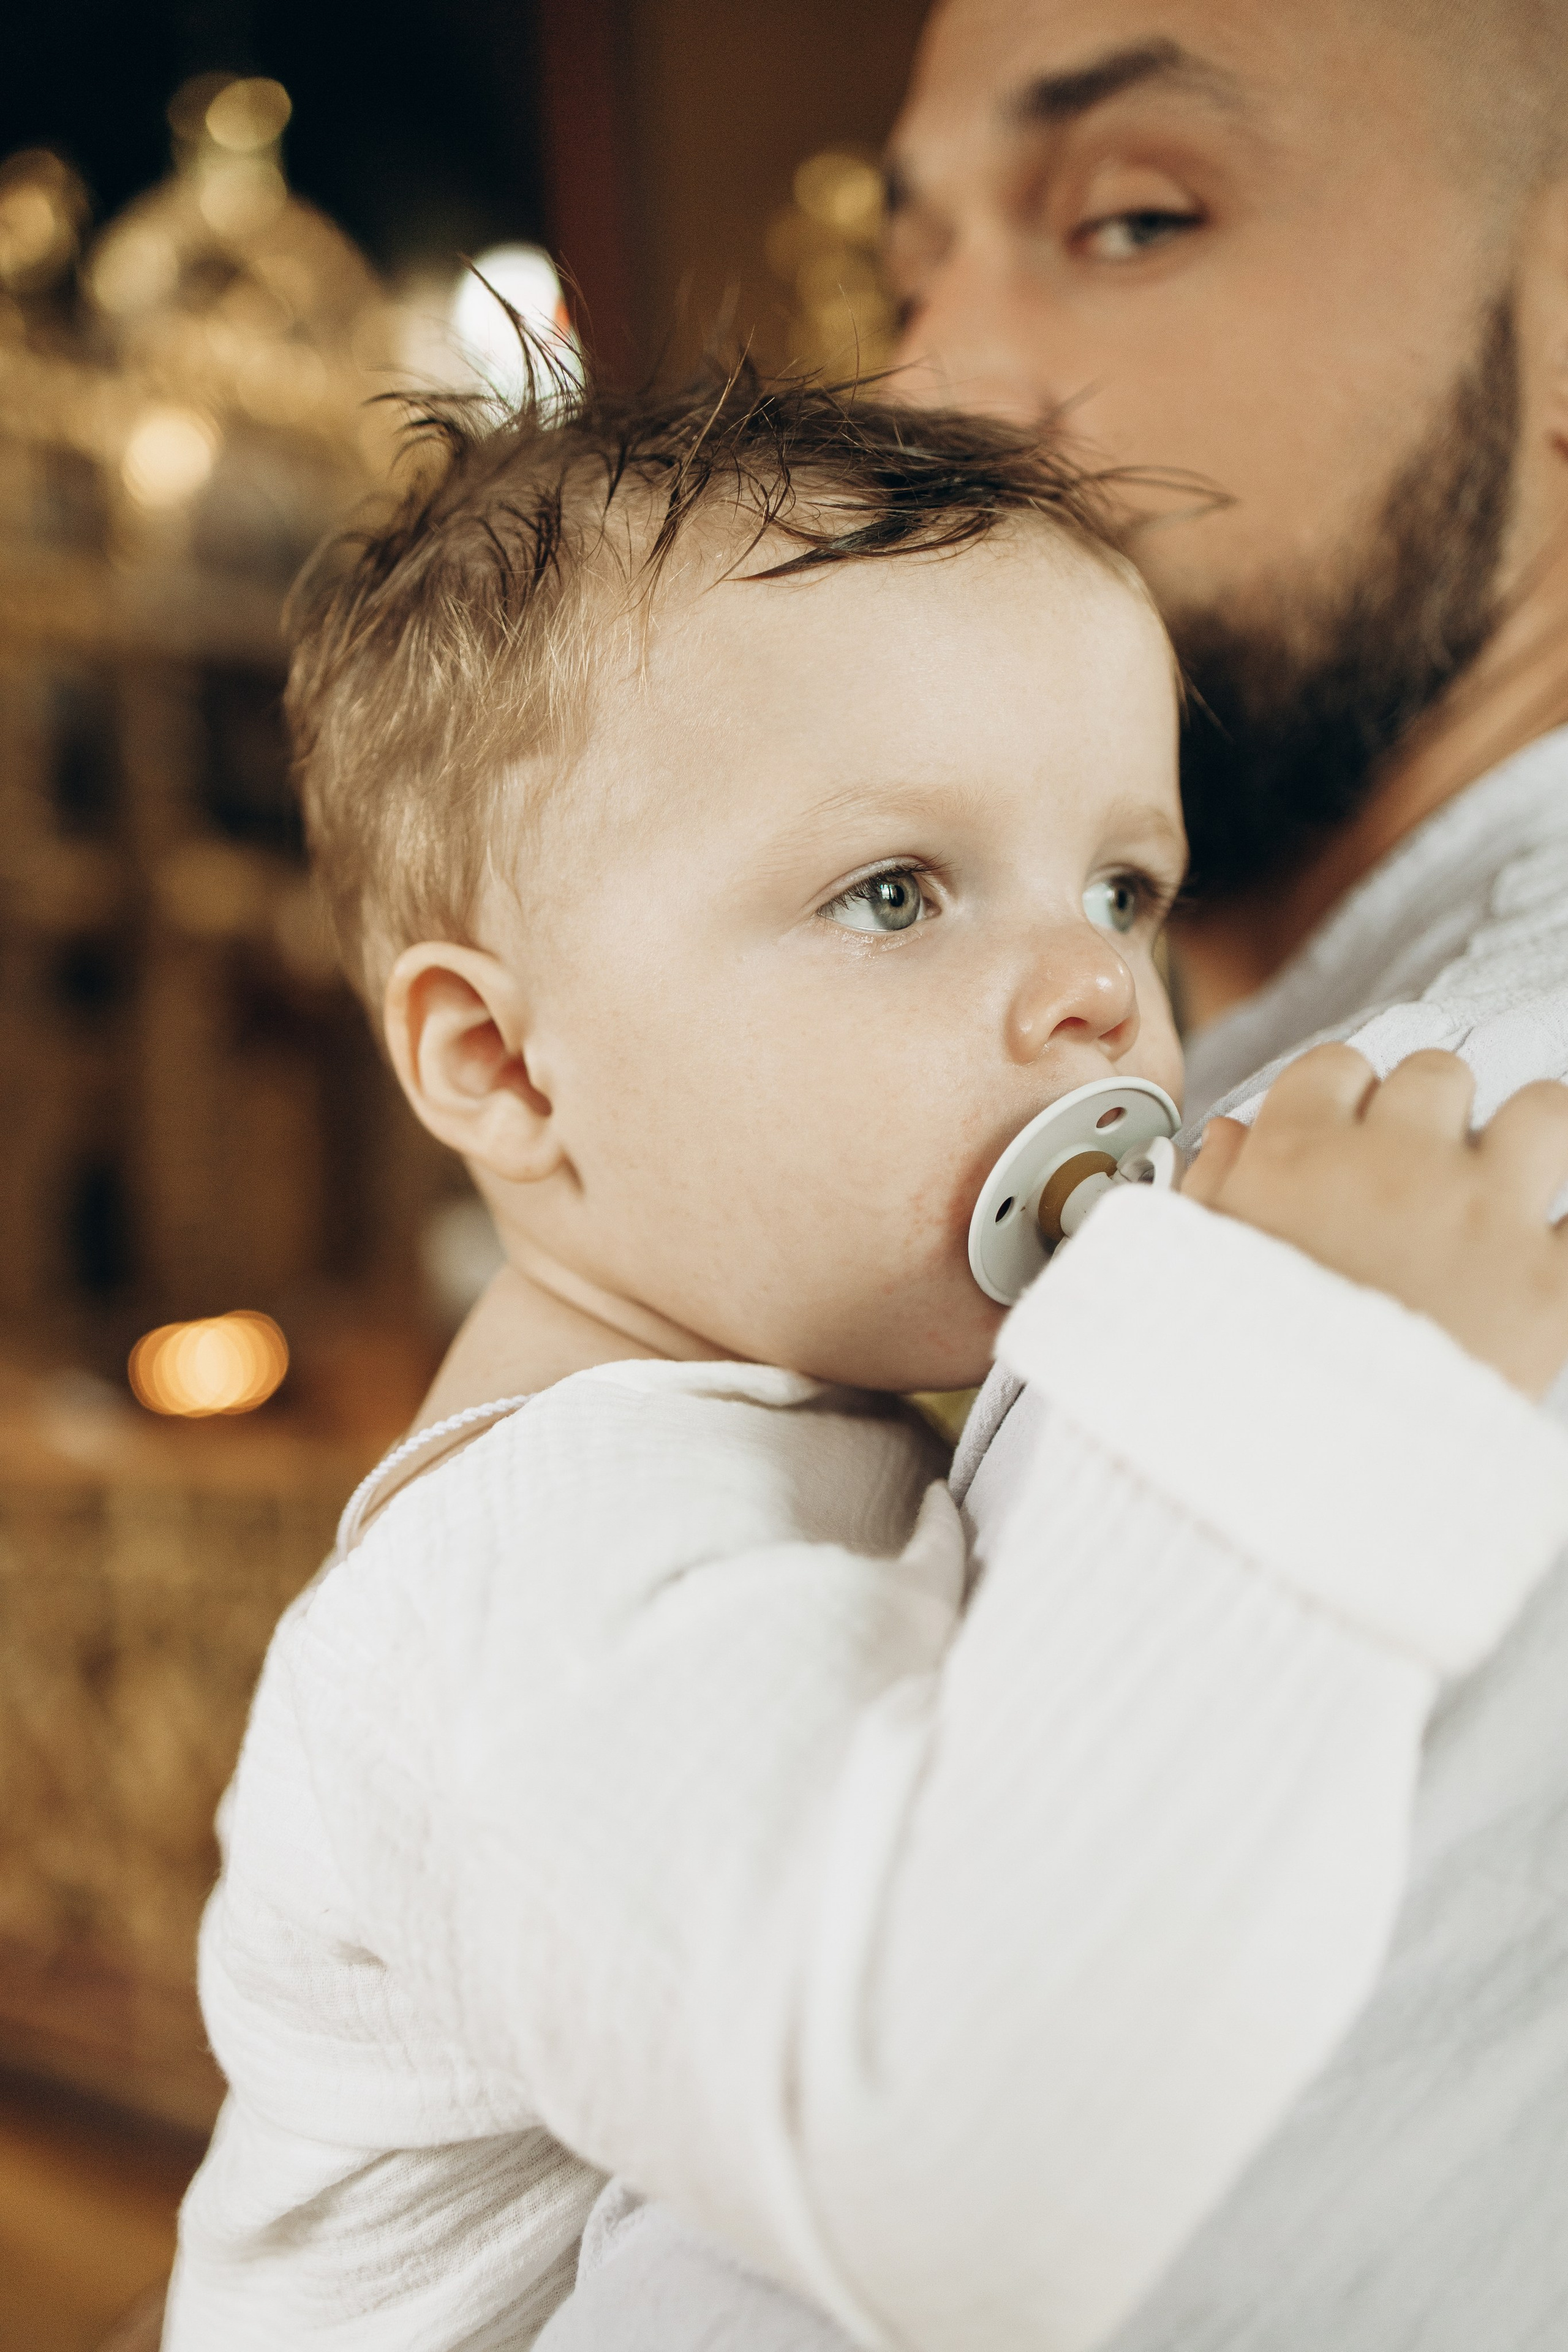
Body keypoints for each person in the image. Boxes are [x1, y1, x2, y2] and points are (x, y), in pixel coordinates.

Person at [158, 364, 1568, 2351]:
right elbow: (954, 2174)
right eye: (893, 894)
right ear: (504, 1062)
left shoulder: (768, 1434)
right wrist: (1318, 1375)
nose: (1096, 991)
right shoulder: (524, 1595)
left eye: (1123, 888)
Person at [546, 2, 1568, 2346]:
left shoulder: (1422, 1161)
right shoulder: (1183, 1096)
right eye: (914, 279)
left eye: (1131, 218)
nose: (955, 387)